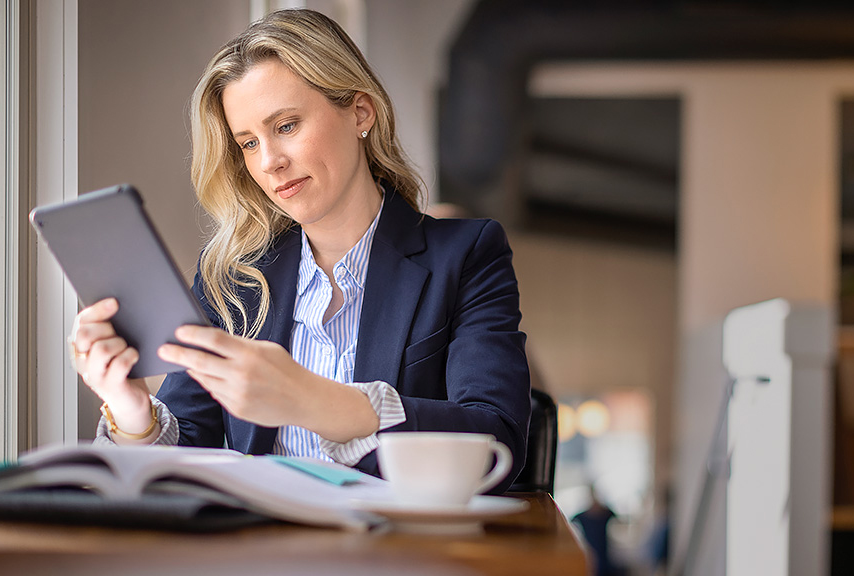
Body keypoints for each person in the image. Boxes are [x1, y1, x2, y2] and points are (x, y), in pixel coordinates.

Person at [67, 9, 530, 490]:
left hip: (398, 554)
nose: (269, 163)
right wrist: (131, 408)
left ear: (360, 112)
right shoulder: (232, 278)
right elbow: (185, 460)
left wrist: (309, 400)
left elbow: (496, 440)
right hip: (261, 555)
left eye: (286, 126)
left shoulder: (467, 255)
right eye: (248, 143)